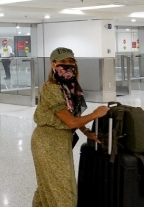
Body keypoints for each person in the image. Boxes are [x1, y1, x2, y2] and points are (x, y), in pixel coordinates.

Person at [31, 47, 110, 207]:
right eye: (63, 62)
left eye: (71, 62)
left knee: (48, 186)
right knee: (62, 190)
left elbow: (75, 116)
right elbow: (71, 122)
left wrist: (87, 131)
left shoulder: (69, 87)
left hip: (61, 140)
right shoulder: (52, 88)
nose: (68, 66)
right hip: (48, 141)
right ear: (53, 64)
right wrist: (96, 114)